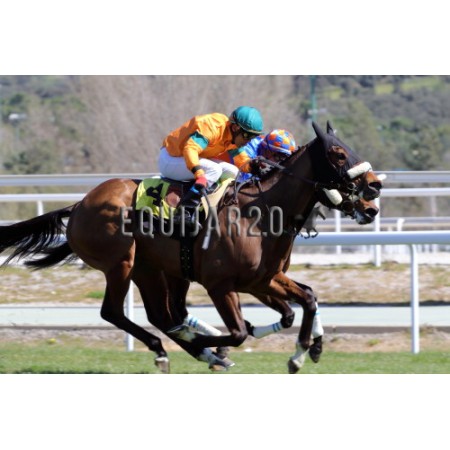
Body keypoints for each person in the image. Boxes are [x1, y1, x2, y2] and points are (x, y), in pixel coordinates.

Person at [158, 106, 264, 227]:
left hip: (188, 157)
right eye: (247, 135)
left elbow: (241, 161)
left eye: (253, 137)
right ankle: (184, 211)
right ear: (235, 128)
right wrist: (199, 174)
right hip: (170, 158)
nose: (249, 141)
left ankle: (214, 208)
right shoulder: (213, 127)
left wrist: (252, 166)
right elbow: (190, 149)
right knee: (214, 170)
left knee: (233, 171)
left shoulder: (233, 137)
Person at [220, 129, 297, 183]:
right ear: (268, 150)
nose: (277, 162)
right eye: (278, 157)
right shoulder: (248, 147)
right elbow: (244, 179)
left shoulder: (265, 144)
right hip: (221, 170)